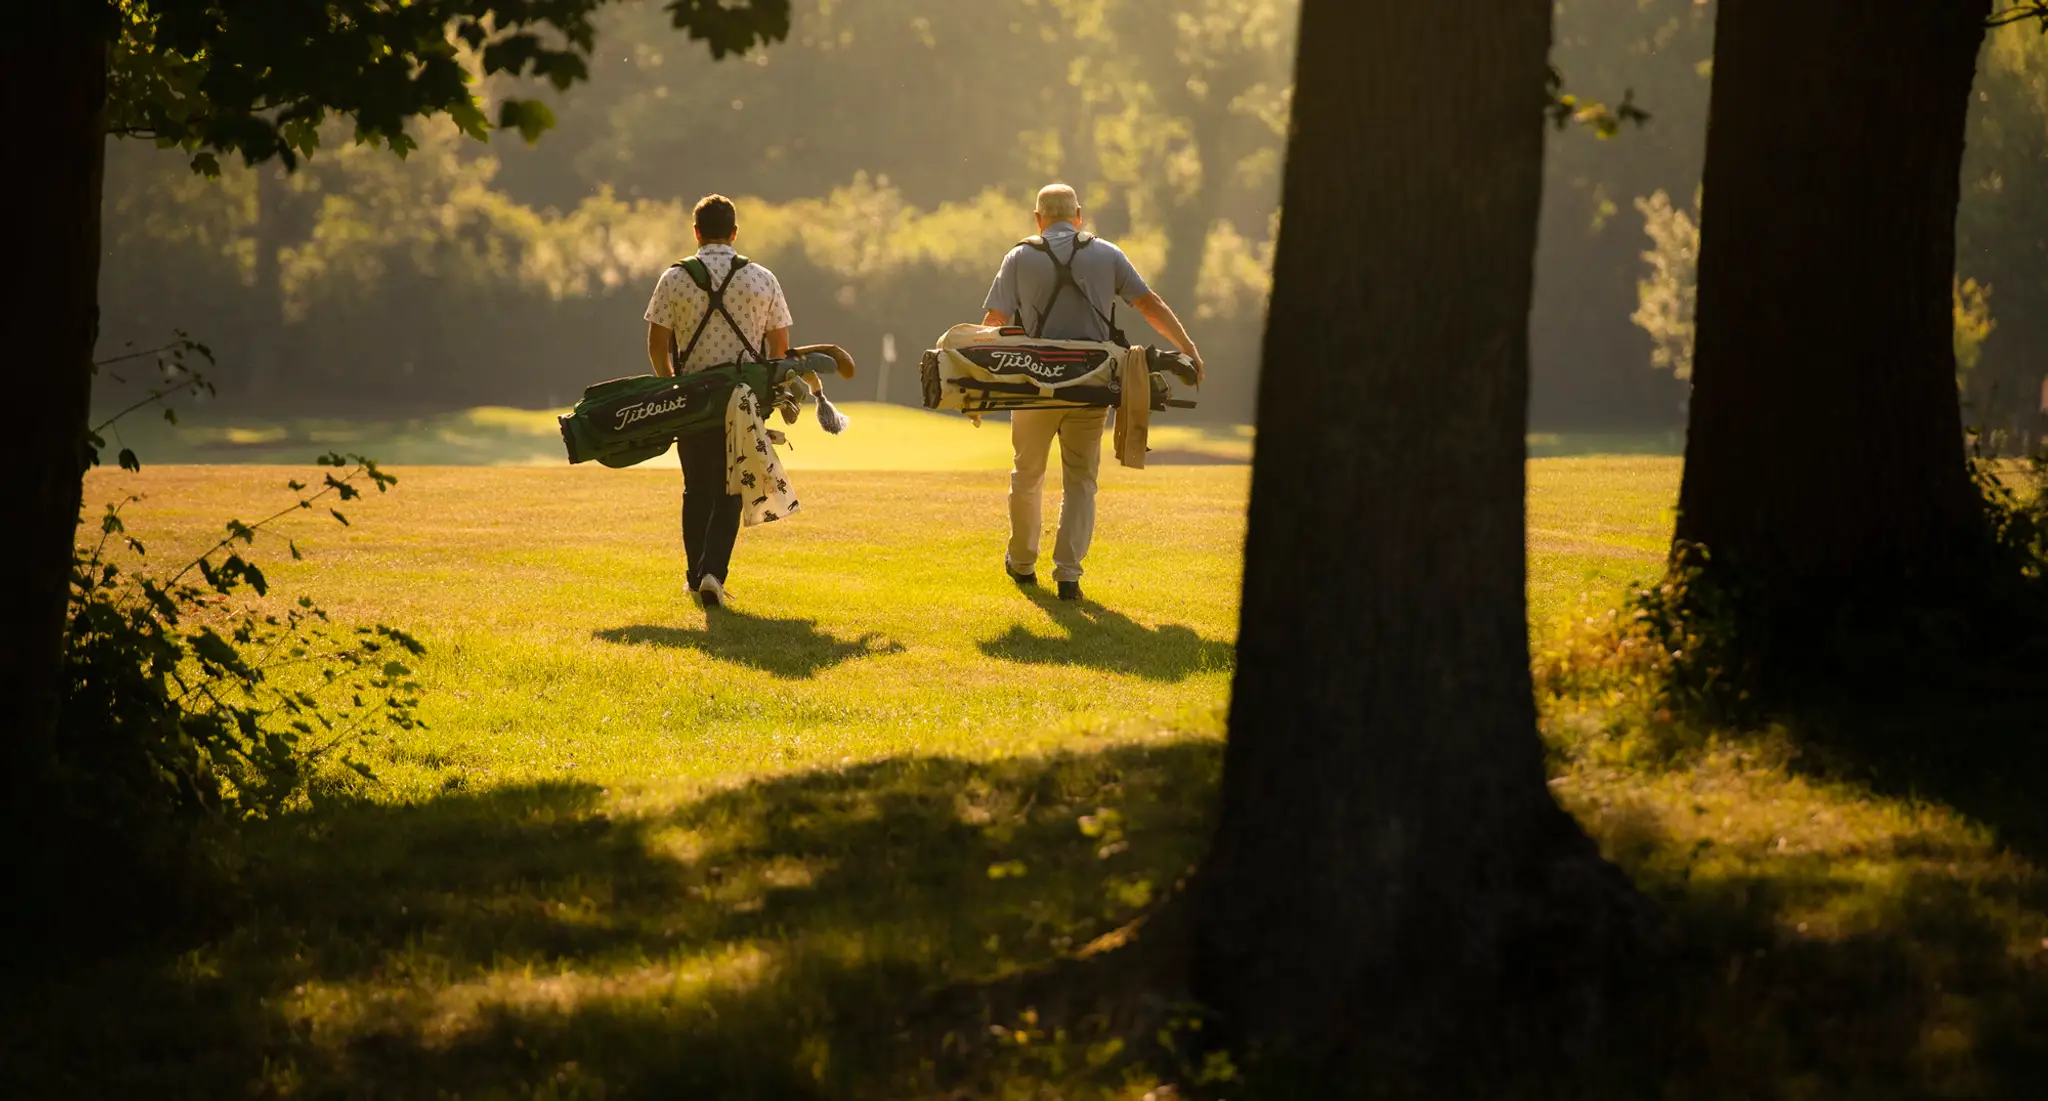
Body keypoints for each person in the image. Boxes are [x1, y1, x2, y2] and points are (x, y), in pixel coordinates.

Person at [980, 183, 1205, 601]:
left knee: (1026, 475)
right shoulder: (1108, 254)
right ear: (1078, 215)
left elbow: (994, 321)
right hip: (1092, 386)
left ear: (1038, 218)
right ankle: (1068, 575)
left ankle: (1023, 565)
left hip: (1033, 386)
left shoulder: (1019, 257)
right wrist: (1187, 348)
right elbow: (1148, 304)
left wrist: (989, 380)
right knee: (1081, 481)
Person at [643, 194, 804, 610]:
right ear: (735, 233)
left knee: (695, 488)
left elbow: (657, 344)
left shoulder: (674, 277)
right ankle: (714, 572)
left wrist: (671, 387)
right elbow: (780, 348)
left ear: (696, 232)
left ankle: (695, 577)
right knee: (731, 488)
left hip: (692, 399)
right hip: (742, 400)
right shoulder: (762, 277)